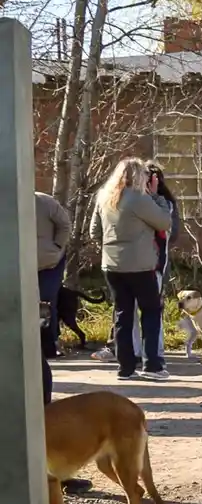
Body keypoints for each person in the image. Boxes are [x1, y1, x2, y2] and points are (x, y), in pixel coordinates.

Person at [90, 157, 172, 380]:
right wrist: (156, 196)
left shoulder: (104, 197)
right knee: (151, 312)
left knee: (123, 315)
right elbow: (164, 222)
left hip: (112, 265)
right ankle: (152, 366)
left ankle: (125, 368)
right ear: (139, 176)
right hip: (141, 265)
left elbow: (94, 231)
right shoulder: (140, 198)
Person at [35, 190, 71, 359]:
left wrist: (57, 246)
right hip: (22, 261)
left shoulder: (45, 201)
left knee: (46, 302)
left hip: (49, 261)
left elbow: (64, 225)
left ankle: (50, 345)